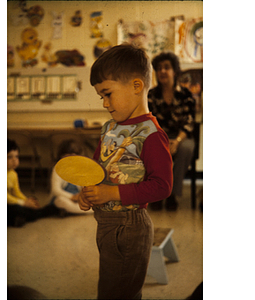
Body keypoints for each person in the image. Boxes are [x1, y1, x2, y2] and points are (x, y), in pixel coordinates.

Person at [78, 44, 173, 299]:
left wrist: (111, 192)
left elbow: (162, 186)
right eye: (101, 97)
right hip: (106, 226)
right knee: (112, 287)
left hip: (130, 229)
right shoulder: (110, 127)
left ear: (136, 86)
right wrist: (86, 191)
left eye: (108, 94)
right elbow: (97, 167)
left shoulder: (151, 134)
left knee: (119, 293)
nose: (105, 104)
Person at [148, 51, 196, 211]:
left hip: (181, 137)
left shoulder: (185, 94)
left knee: (186, 148)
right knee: (152, 148)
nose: (162, 71)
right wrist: (163, 141)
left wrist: (178, 141)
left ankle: (171, 194)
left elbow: (189, 123)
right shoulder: (151, 95)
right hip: (158, 137)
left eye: (166, 67)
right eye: (159, 68)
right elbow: (149, 123)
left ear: (174, 71)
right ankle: (157, 193)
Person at [7, 139, 62, 227]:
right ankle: (41, 212)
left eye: (16, 157)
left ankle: (21, 217)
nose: (14, 160)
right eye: (10, 157)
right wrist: (23, 203)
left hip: (12, 202)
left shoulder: (13, 174)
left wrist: (27, 201)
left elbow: (16, 192)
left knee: (32, 200)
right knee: (15, 209)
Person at [49, 139, 93, 215]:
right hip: (64, 197)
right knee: (60, 201)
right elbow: (55, 190)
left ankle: (71, 210)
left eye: (73, 156)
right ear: (61, 156)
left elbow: (85, 186)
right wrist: (72, 197)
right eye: (67, 156)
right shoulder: (57, 169)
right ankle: (80, 210)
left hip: (78, 198)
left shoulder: (81, 168)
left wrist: (82, 196)